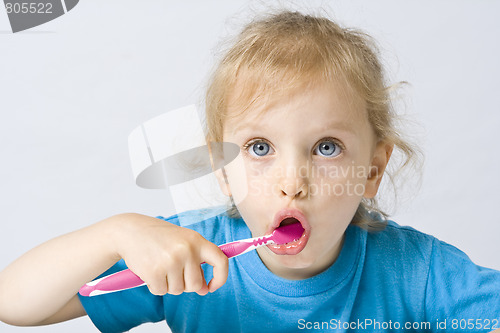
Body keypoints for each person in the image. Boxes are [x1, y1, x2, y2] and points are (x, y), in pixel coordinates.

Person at [0, 9, 499, 333]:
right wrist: (117, 233)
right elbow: (16, 304)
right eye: (260, 147)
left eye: (326, 147)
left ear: (371, 170)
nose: (292, 180)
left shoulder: (419, 273)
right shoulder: (188, 256)